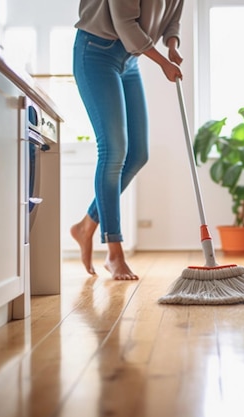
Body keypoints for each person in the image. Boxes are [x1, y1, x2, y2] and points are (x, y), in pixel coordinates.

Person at [70, 0, 184, 280]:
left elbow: (172, 19)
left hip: (129, 60)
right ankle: (114, 252)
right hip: (96, 52)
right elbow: (125, 23)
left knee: (138, 154)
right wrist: (162, 63)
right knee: (113, 152)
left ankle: (86, 225)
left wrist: (172, 44)